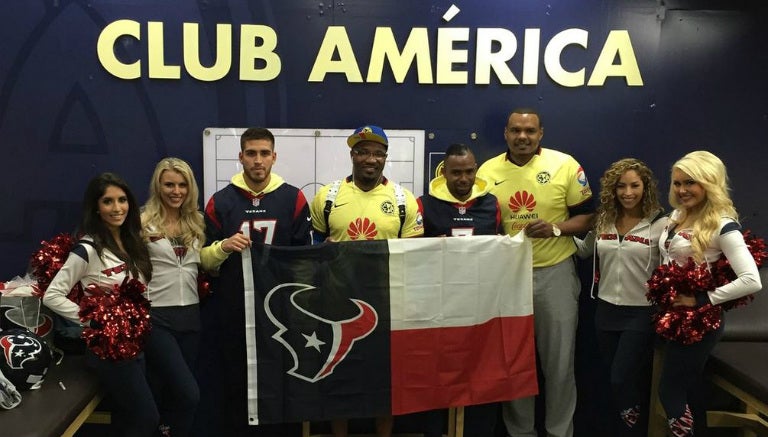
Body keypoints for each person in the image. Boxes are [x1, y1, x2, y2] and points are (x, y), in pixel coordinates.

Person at [477, 108, 595, 437]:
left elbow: (589, 217)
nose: (523, 137)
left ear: (541, 133)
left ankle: (559, 432)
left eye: (530, 131)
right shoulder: (487, 171)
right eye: (516, 130)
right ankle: (520, 432)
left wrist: (556, 228)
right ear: (505, 133)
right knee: (514, 362)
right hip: (507, 277)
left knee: (559, 363)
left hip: (555, 273)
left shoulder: (565, 165)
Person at [194, 127, 312, 437]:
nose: (257, 161)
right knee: (236, 384)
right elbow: (202, 260)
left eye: (263, 153)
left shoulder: (293, 198)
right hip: (234, 311)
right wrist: (222, 247)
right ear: (241, 157)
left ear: (274, 157)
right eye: (251, 153)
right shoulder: (220, 201)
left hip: (279, 312)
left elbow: (305, 260)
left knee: (282, 382)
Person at [310, 125, 424, 437]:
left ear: (386, 157)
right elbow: (311, 248)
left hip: (386, 302)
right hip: (338, 300)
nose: (369, 159)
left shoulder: (403, 200)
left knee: (384, 377)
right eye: (362, 151)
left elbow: (414, 253)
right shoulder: (328, 197)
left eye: (376, 152)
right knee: (338, 374)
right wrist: (323, 251)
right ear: (352, 155)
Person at [42, 172, 157, 437]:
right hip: (108, 351)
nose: (117, 208)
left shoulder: (131, 242)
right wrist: (95, 320)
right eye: (108, 202)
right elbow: (52, 295)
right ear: (96, 207)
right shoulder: (88, 248)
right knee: (146, 417)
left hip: (135, 345)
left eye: (122, 200)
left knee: (127, 418)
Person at [657, 150, 761, 436]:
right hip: (672, 318)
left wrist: (702, 299)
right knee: (689, 392)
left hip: (699, 323)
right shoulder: (677, 215)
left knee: (670, 393)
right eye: (677, 183)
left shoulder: (723, 225)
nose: (681, 190)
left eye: (690, 183)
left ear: (709, 183)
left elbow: (752, 280)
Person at [574, 158, 667, 436]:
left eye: (635, 186)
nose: (628, 192)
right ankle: (625, 422)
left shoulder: (661, 223)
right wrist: (555, 233)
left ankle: (633, 420)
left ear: (646, 187)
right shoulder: (604, 220)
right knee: (613, 377)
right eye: (621, 186)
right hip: (605, 311)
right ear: (612, 190)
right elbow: (584, 251)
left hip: (641, 312)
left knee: (621, 377)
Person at [417, 143, 501, 437]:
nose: (463, 179)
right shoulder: (424, 204)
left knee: (479, 373)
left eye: (469, 171)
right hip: (439, 305)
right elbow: (413, 255)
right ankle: (435, 430)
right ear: (444, 173)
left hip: (480, 306)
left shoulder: (491, 204)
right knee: (438, 373)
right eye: (456, 173)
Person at [141, 158, 206, 437]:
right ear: (158, 185)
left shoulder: (198, 222)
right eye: (169, 184)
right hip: (157, 317)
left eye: (182, 185)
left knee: (173, 394)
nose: (176, 191)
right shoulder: (141, 221)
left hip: (191, 316)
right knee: (188, 393)